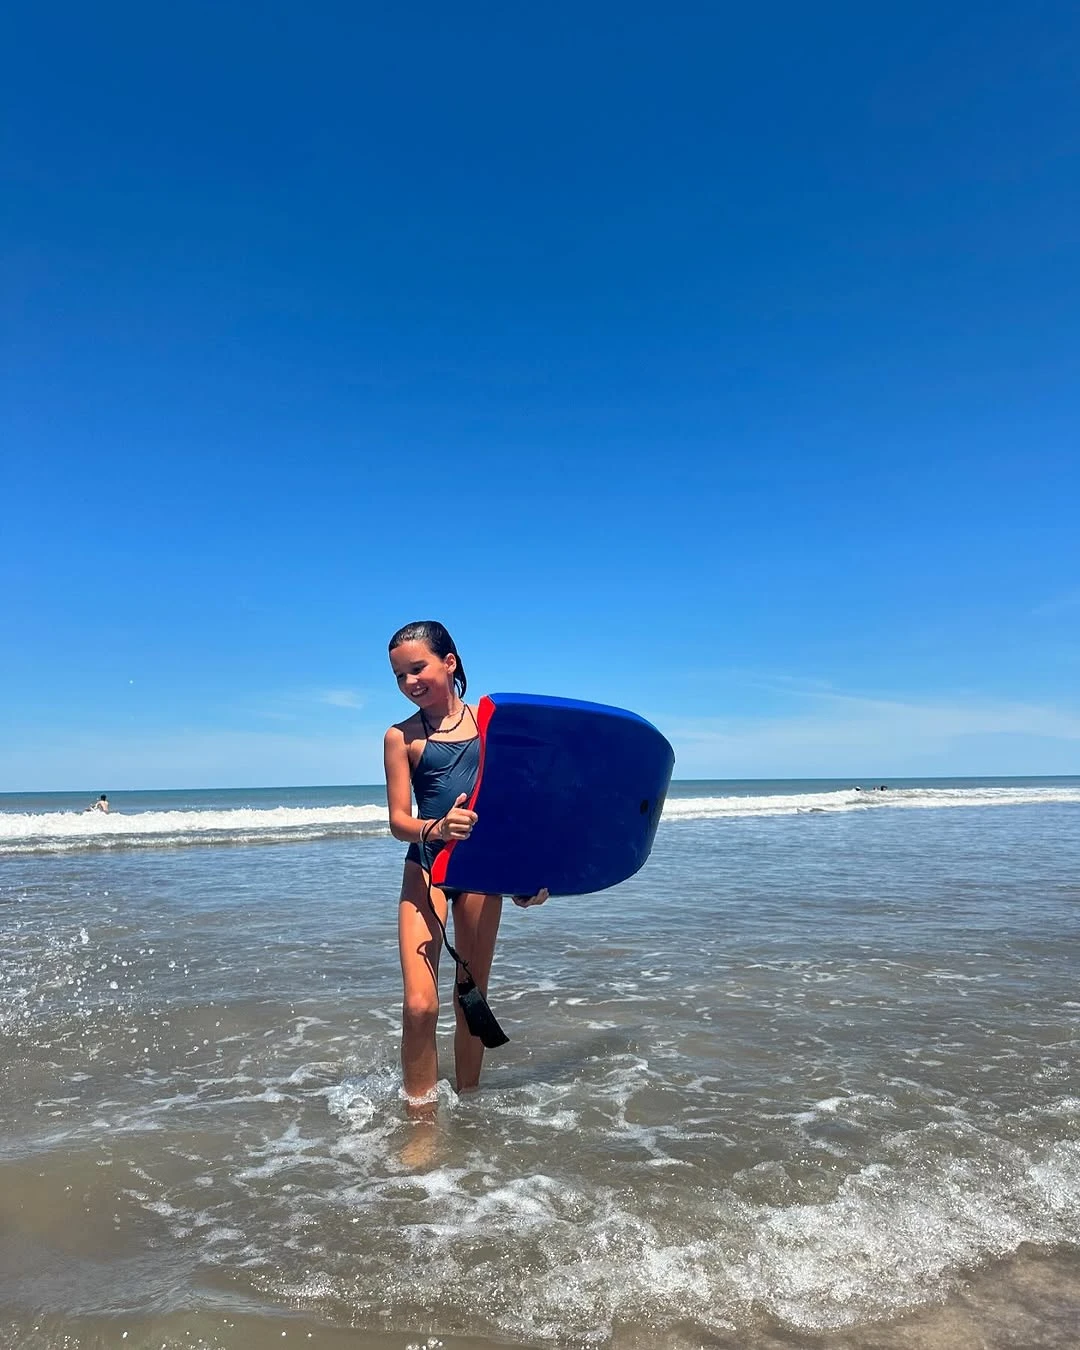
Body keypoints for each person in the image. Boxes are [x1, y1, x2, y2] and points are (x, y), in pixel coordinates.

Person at [383, 619, 547, 1110]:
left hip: (480, 873)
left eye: (418, 668)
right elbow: (397, 821)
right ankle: (421, 1121)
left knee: (469, 999)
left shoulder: (490, 726)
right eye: (399, 676)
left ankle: (470, 1107)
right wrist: (437, 828)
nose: (410, 682)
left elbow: (516, 808)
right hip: (427, 869)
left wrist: (526, 877)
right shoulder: (400, 737)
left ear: (448, 663)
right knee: (420, 1004)